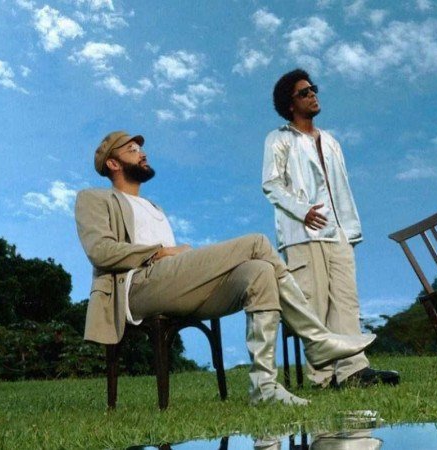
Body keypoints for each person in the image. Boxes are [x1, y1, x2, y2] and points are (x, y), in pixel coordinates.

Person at [75, 130, 376, 406]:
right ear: (113, 163)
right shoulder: (94, 198)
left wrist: (173, 257)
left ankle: (264, 387)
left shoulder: (155, 208)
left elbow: (173, 263)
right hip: (135, 289)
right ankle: (316, 339)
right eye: (132, 150)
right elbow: (100, 252)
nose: (142, 153)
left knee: (259, 271)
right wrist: (159, 251)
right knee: (257, 242)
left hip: (171, 285)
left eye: (140, 149)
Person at [262, 69, 399, 388]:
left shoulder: (332, 142)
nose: (312, 94)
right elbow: (271, 184)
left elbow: (342, 189)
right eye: (304, 92)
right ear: (290, 104)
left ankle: (353, 370)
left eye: (313, 89)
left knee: (346, 301)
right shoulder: (278, 139)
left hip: (338, 232)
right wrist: (302, 211)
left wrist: (349, 230)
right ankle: (322, 378)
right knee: (314, 304)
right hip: (301, 234)